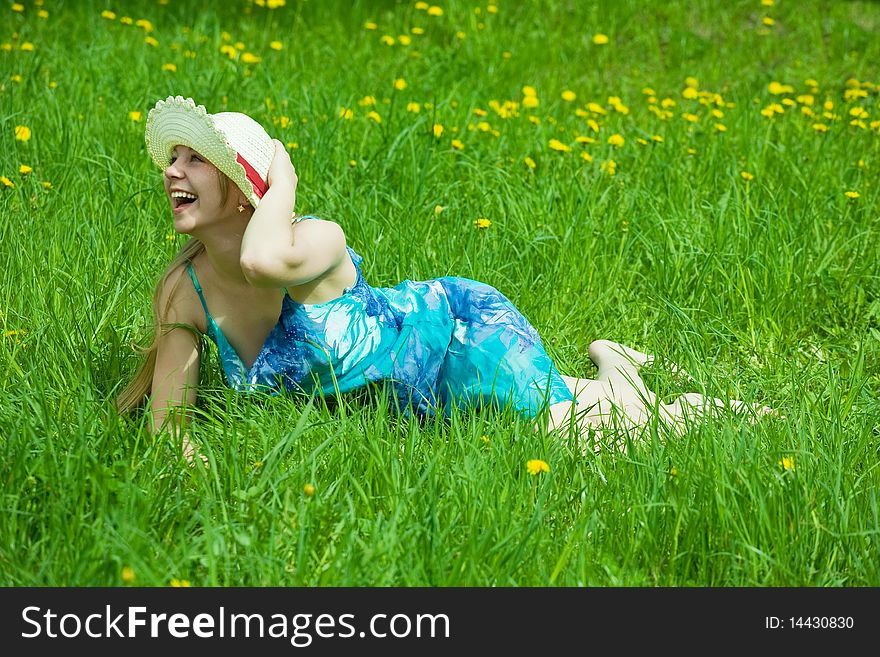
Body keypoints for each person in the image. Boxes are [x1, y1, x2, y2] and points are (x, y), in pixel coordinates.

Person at [115, 96, 775, 463]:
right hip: (401, 410)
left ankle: (693, 405)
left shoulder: (317, 240)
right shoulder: (187, 290)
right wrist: (199, 475)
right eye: (171, 158)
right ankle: (612, 358)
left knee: (586, 437)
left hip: (455, 341)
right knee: (574, 415)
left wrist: (282, 179)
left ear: (241, 190)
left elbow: (262, 262)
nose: (172, 171)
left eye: (195, 159)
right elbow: (169, 426)